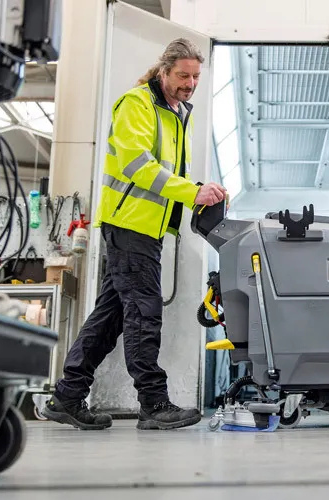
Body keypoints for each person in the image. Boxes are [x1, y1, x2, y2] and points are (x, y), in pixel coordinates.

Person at [42, 38, 227, 431]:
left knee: (110, 317)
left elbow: (166, 174)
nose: (191, 83)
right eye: (183, 75)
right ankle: (153, 403)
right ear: (164, 70)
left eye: (196, 77)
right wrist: (191, 192)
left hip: (147, 229)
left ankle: (67, 396)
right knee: (144, 312)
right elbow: (138, 166)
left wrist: (197, 191)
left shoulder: (177, 113)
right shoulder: (137, 104)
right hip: (130, 225)